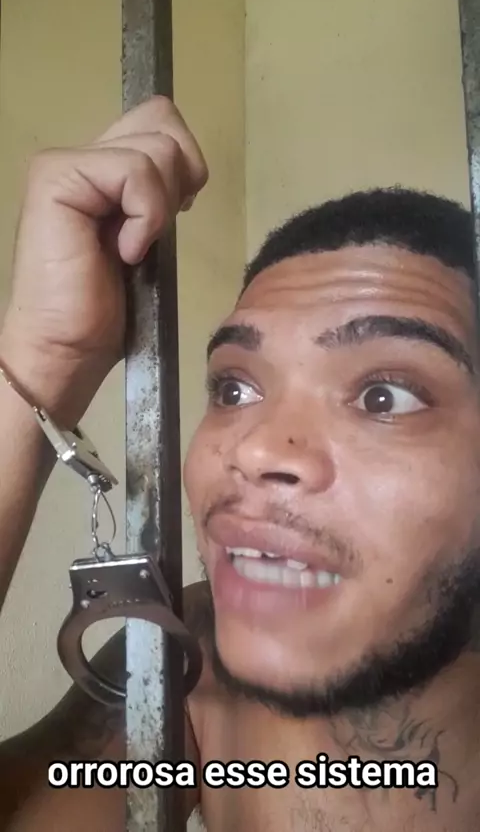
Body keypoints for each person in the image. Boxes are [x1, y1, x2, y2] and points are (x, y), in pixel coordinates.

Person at [0, 96, 480, 832]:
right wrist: (45, 357)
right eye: (234, 388)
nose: (255, 449)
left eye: (384, 396)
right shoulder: (184, 652)